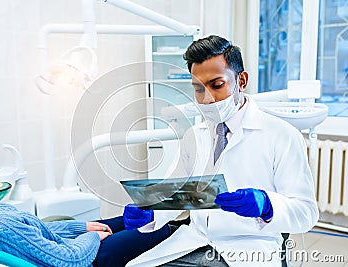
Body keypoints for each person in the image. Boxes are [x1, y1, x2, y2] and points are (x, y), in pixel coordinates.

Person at [125, 35, 319, 267]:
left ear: (241, 81)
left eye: (217, 85)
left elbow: (306, 213)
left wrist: (267, 205)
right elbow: (176, 193)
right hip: (196, 238)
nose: (207, 99)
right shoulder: (194, 137)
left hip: (250, 246)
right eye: (198, 89)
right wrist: (150, 212)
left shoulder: (282, 135)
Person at [0, 138, 171, 267]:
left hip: (70, 248)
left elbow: (29, 232)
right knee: (168, 230)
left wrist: (79, 227)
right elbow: (67, 261)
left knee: (130, 217)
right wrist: (91, 236)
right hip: (86, 261)